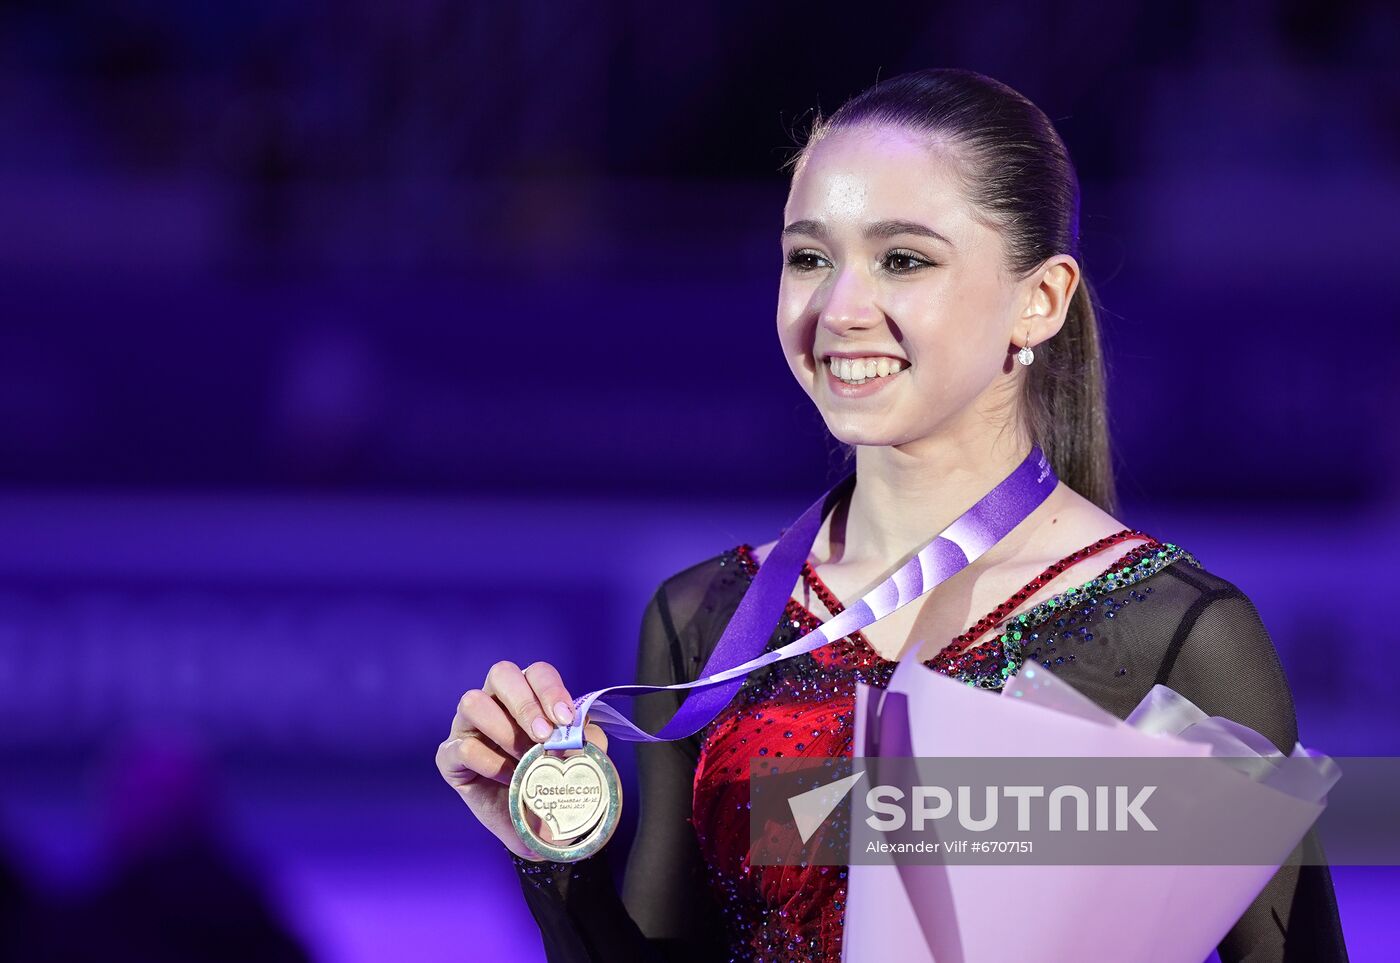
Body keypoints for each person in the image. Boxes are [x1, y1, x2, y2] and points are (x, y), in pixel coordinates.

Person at [435, 67, 1349, 962]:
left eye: (902, 259)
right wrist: (554, 850)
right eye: (808, 257)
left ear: (1041, 300)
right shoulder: (704, 622)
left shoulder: (1179, 637)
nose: (839, 306)